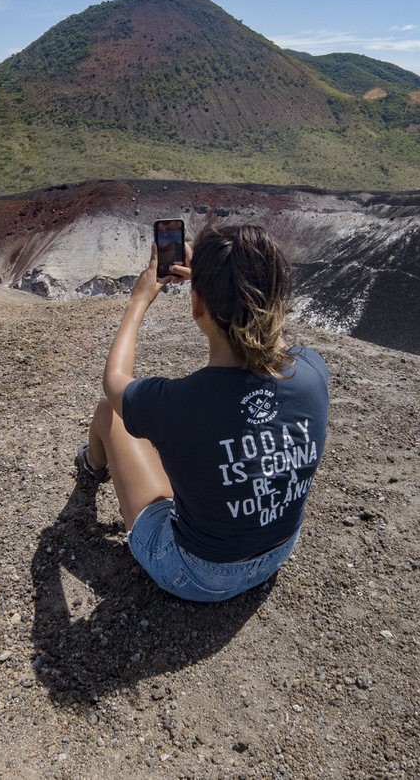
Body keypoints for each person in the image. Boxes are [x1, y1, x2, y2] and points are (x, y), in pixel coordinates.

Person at [76, 223, 329, 602]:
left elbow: (114, 380)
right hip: (278, 550)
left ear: (197, 305)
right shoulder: (312, 370)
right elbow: (275, 339)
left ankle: (92, 468)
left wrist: (139, 300)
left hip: (197, 576)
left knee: (111, 414)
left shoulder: (176, 402)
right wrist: (223, 287)